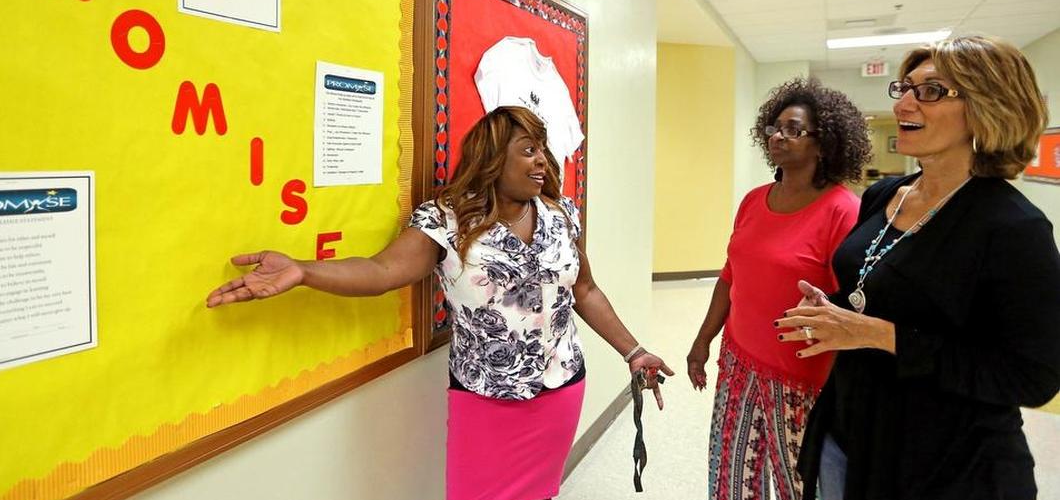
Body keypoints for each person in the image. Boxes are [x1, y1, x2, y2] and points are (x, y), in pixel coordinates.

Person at [206, 105, 672, 500]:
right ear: (493, 159)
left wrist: (633, 352)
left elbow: (584, 289)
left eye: (544, 152)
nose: (543, 164)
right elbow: (381, 271)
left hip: (561, 387)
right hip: (486, 401)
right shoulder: (447, 220)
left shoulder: (559, 213)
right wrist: (305, 270)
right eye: (529, 151)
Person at [777, 35, 1060, 500]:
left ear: (988, 107)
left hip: (946, 465)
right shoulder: (884, 194)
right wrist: (832, 312)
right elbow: (876, 289)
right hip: (848, 433)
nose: (906, 101)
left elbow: (1033, 377)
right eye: (905, 87)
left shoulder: (1014, 228)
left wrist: (877, 334)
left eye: (931, 91)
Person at [687, 78, 871, 500]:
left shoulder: (843, 210)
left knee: (798, 485)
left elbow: (851, 307)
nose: (777, 137)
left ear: (823, 144)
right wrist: (703, 341)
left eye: (793, 129)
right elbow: (730, 275)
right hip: (738, 362)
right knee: (730, 481)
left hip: (801, 379)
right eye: (774, 128)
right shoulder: (754, 200)